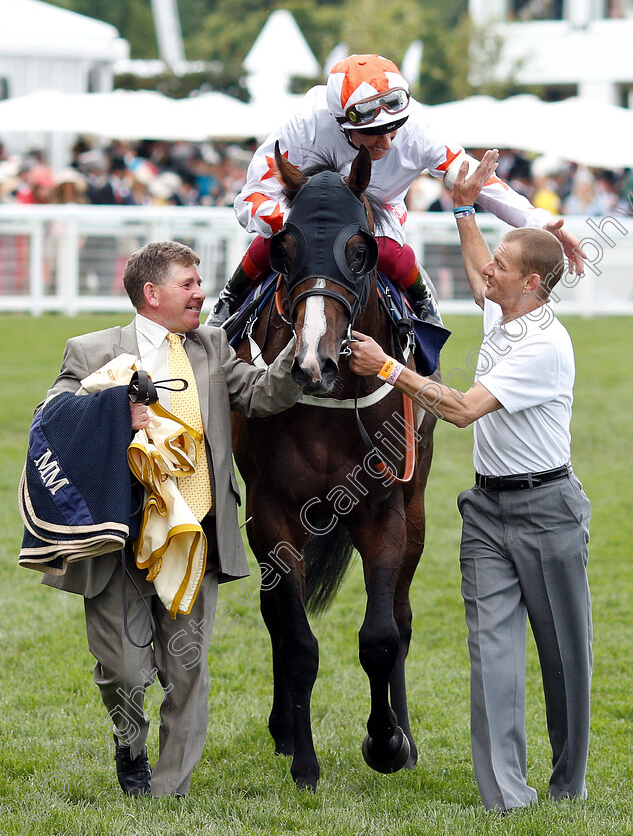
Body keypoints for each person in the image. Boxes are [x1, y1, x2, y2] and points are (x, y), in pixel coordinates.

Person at [347, 150, 592, 812]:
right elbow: (482, 271)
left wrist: (387, 370)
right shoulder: (504, 310)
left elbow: (457, 411)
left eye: (504, 268)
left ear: (533, 284)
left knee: (562, 660)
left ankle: (567, 786)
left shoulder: (542, 344)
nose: (489, 273)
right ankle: (505, 799)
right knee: (491, 659)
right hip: (486, 510)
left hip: (548, 511)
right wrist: (461, 208)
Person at [28, 241, 301, 798]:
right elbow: (49, 421)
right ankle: (131, 749)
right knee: (124, 673)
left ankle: (168, 789)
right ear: (151, 294)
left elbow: (258, 395)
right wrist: (114, 410)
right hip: (118, 537)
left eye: (200, 283)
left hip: (194, 533)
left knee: (187, 671)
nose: (202, 293)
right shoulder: (90, 349)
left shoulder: (212, 344)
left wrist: (303, 348)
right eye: (189, 284)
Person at [208, 53, 584, 327]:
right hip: (306, 219)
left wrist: (539, 220)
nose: (387, 144)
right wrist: (299, 222)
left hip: (379, 218)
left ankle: (425, 311)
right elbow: (249, 200)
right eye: (374, 133)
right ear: (342, 123)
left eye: (394, 128)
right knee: (275, 242)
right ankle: (228, 301)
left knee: (390, 252)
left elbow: (476, 183)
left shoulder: (419, 126)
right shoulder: (305, 124)